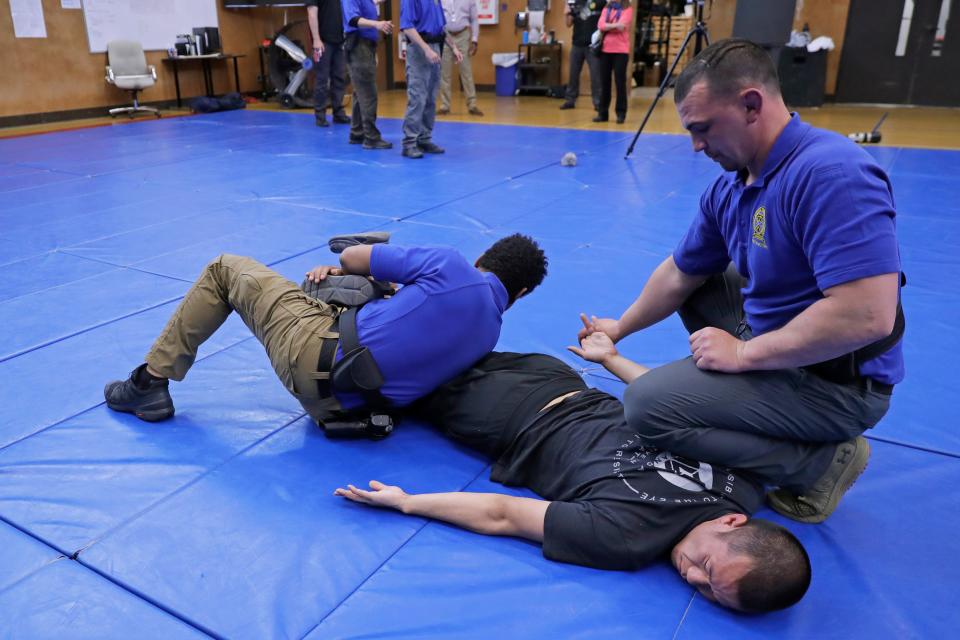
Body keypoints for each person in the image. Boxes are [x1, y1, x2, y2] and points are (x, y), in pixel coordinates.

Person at [576, 39, 905, 524]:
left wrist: (743, 355)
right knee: (703, 278)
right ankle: (757, 381)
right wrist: (620, 327)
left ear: (752, 104)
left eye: (703, 128)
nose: (695, 145)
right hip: (779, 337)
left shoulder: (833, 173)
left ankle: (819, 465)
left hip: (837, 386)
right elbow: (678, 272)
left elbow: (868, 314)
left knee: (648, 408)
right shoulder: (736, 182)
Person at [335, 344, 811, 613]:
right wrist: (409, 504)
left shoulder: (742, 487)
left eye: (705, 592)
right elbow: (501, 515)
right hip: (505, 409)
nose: (689, 576)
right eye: (707, 570)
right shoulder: (628, 538)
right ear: (733, 522)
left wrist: (408, 500)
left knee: (408, 343)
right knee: (356, 365)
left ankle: (362, 282)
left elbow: (507, 514)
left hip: (552, 379)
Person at [104, 234, 547, 428]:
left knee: (225, 269)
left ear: (482, 260)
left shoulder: (452, 265)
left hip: (314, 358)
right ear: (522, 292)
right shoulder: (489, 335)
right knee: (337, 291)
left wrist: (366, 266)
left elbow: (353, 258)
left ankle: (150, 382)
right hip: (346, 412)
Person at [399, 0, 464, 158]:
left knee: (430, 98)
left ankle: (424, 138)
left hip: (436, 48)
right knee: (417, 97)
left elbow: (441, 28)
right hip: (419, 48)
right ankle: (409, 143)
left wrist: (453, 47)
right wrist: (426, 49)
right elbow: (407, 27)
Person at [341, 0, 394, 149]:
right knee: (368, 93)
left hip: (365, 46)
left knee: (361, 92)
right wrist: (377, 24)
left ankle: (357, 132)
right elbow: (353, 19)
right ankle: (371, 137)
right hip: (359, 46)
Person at [306, 0, 351, 127]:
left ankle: (338, 113)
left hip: (339, 40)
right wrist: (316, 39)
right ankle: (320, 115)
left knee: (339, 78)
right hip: (323, 42)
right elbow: (312, 14)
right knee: (322, 79)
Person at [437, 0, 483, 117]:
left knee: (466, 71)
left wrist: (474, 40)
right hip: (446, 36)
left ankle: (472, 104)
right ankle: (444, 105)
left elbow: (474, 20)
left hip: (463, 35)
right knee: (444, 72)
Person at [560, 0, 605, 112]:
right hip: (577, 44)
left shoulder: (601, 2)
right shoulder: (575, 2)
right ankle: (570, 100)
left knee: (596, 75)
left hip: (593, 45)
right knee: (573, 74)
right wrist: (566, 13)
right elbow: (568, 24)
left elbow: (606, 19)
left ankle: (598, 102)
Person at [594, 0, 632, 124]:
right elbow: (600, 25)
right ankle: (602, 113)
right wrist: (614, 25)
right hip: (605, 50)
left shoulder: (627, 9)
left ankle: (621, 113)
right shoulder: (607, 8)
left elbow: (622, 26)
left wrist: (608, 26)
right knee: (604, 82)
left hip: (621, 51)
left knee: (620, 82)